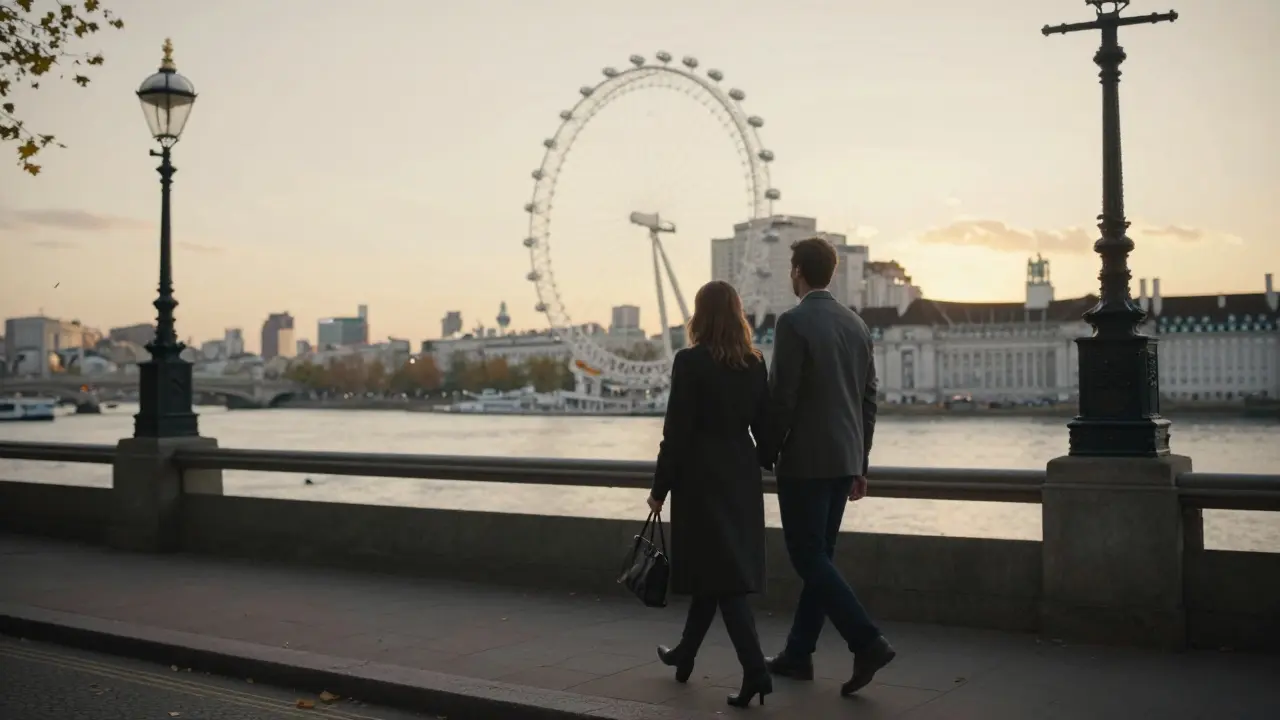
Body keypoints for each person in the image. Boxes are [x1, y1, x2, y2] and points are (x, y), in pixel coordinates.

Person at [763, 237, 896, 697]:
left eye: (790, 268)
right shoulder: (856, 324)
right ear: (832, 273)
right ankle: (798, 654)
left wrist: (766, 449)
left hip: (804, 460)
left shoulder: (793, 322)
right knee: (820, 556)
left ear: (798, 271)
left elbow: (783, 397)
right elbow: (868, 398)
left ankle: (867, 640)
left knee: (807, 556)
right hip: (843, 459)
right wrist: (861, 461)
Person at [647, 280, 775, 709]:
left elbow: (676, 433)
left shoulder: (690, 362)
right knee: (718, 567)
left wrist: (659, 488)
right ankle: (685, 654)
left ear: (699, 316)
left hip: (700, 479)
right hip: (740, 475)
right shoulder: (754, 363)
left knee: (724, 580)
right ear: (738, 315)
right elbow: (766, 430)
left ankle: (756, 671)